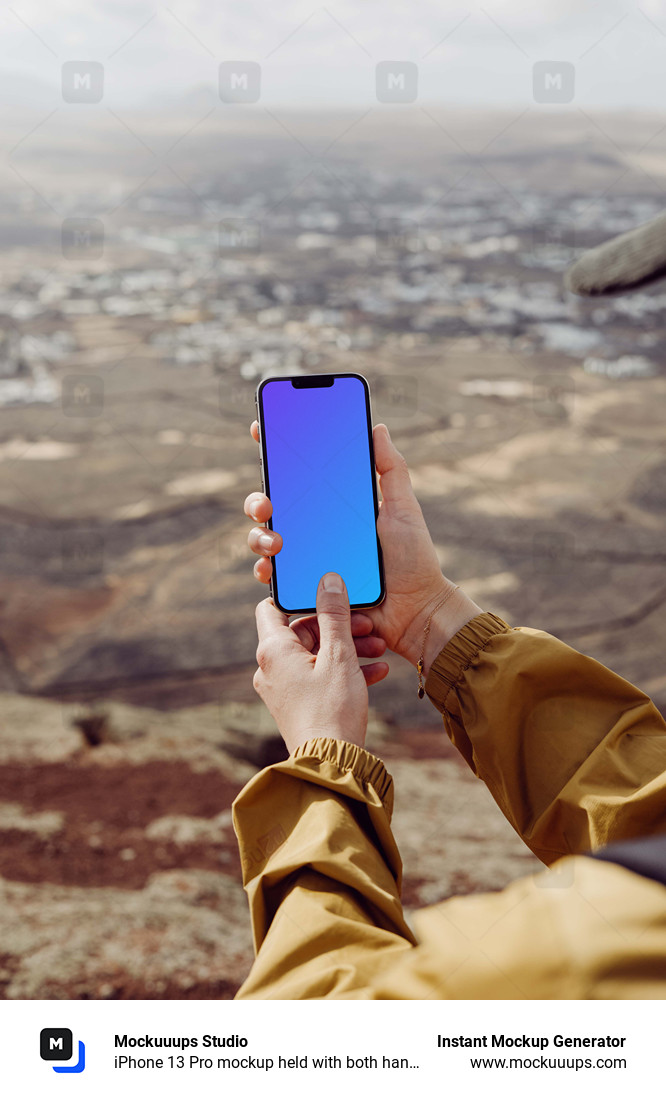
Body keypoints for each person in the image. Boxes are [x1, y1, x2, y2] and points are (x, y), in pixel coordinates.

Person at [232, 418, 666, 999]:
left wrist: (321, 760)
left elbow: (323, 1037)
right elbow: (639, 806)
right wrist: (432, 618)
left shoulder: (589, 962)